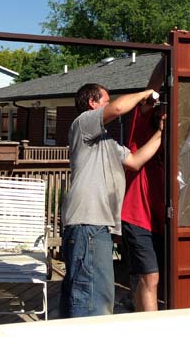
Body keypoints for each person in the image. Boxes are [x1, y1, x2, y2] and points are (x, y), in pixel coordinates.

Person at [60, 83, 164, 318]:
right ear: (92, 103)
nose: (109, 104)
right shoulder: (84, 123)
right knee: (93, 300)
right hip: (87, 223)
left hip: (96, 226)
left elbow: (136, 161)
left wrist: (161, 132)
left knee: (85, 293)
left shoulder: (106, 142)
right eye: (105, 100)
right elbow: (118, 108)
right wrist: (144, 95)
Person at [121, 60, 166, 312]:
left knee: (148, 279)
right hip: (137, 215)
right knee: (151, 278)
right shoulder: (141, 121)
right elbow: (153, 88)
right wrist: (167, 56)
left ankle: (138, 319)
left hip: (161, 217)